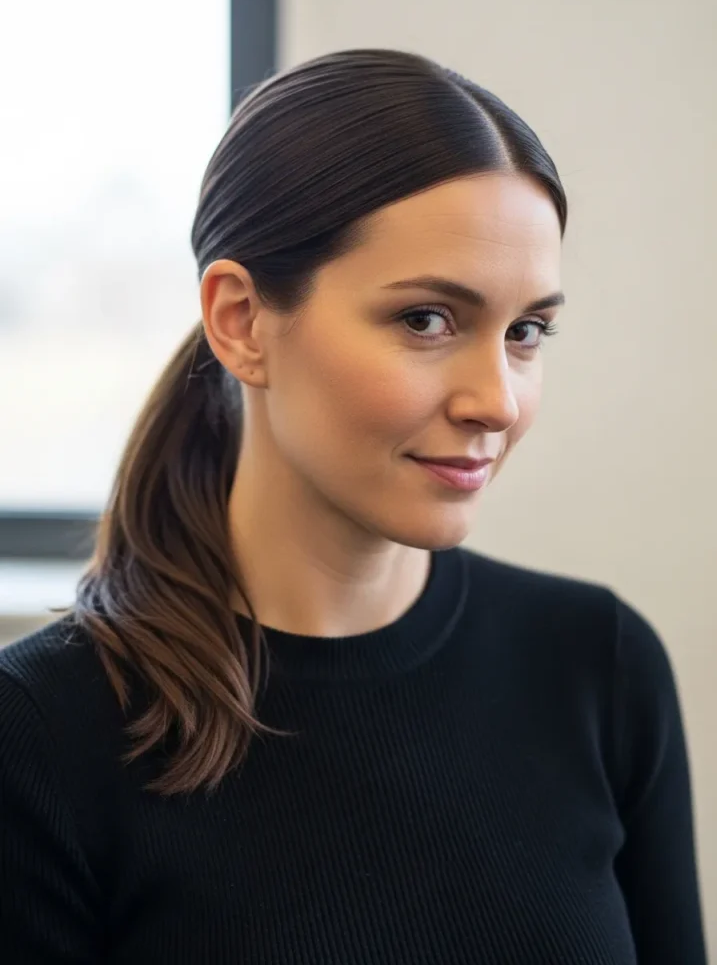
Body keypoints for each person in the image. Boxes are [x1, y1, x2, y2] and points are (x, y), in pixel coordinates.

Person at [0, 49, 706, 964]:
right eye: (426, 320)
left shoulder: (598, 667)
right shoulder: (42, 737)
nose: (495, 400)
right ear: (241, 321)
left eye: (526, 331)